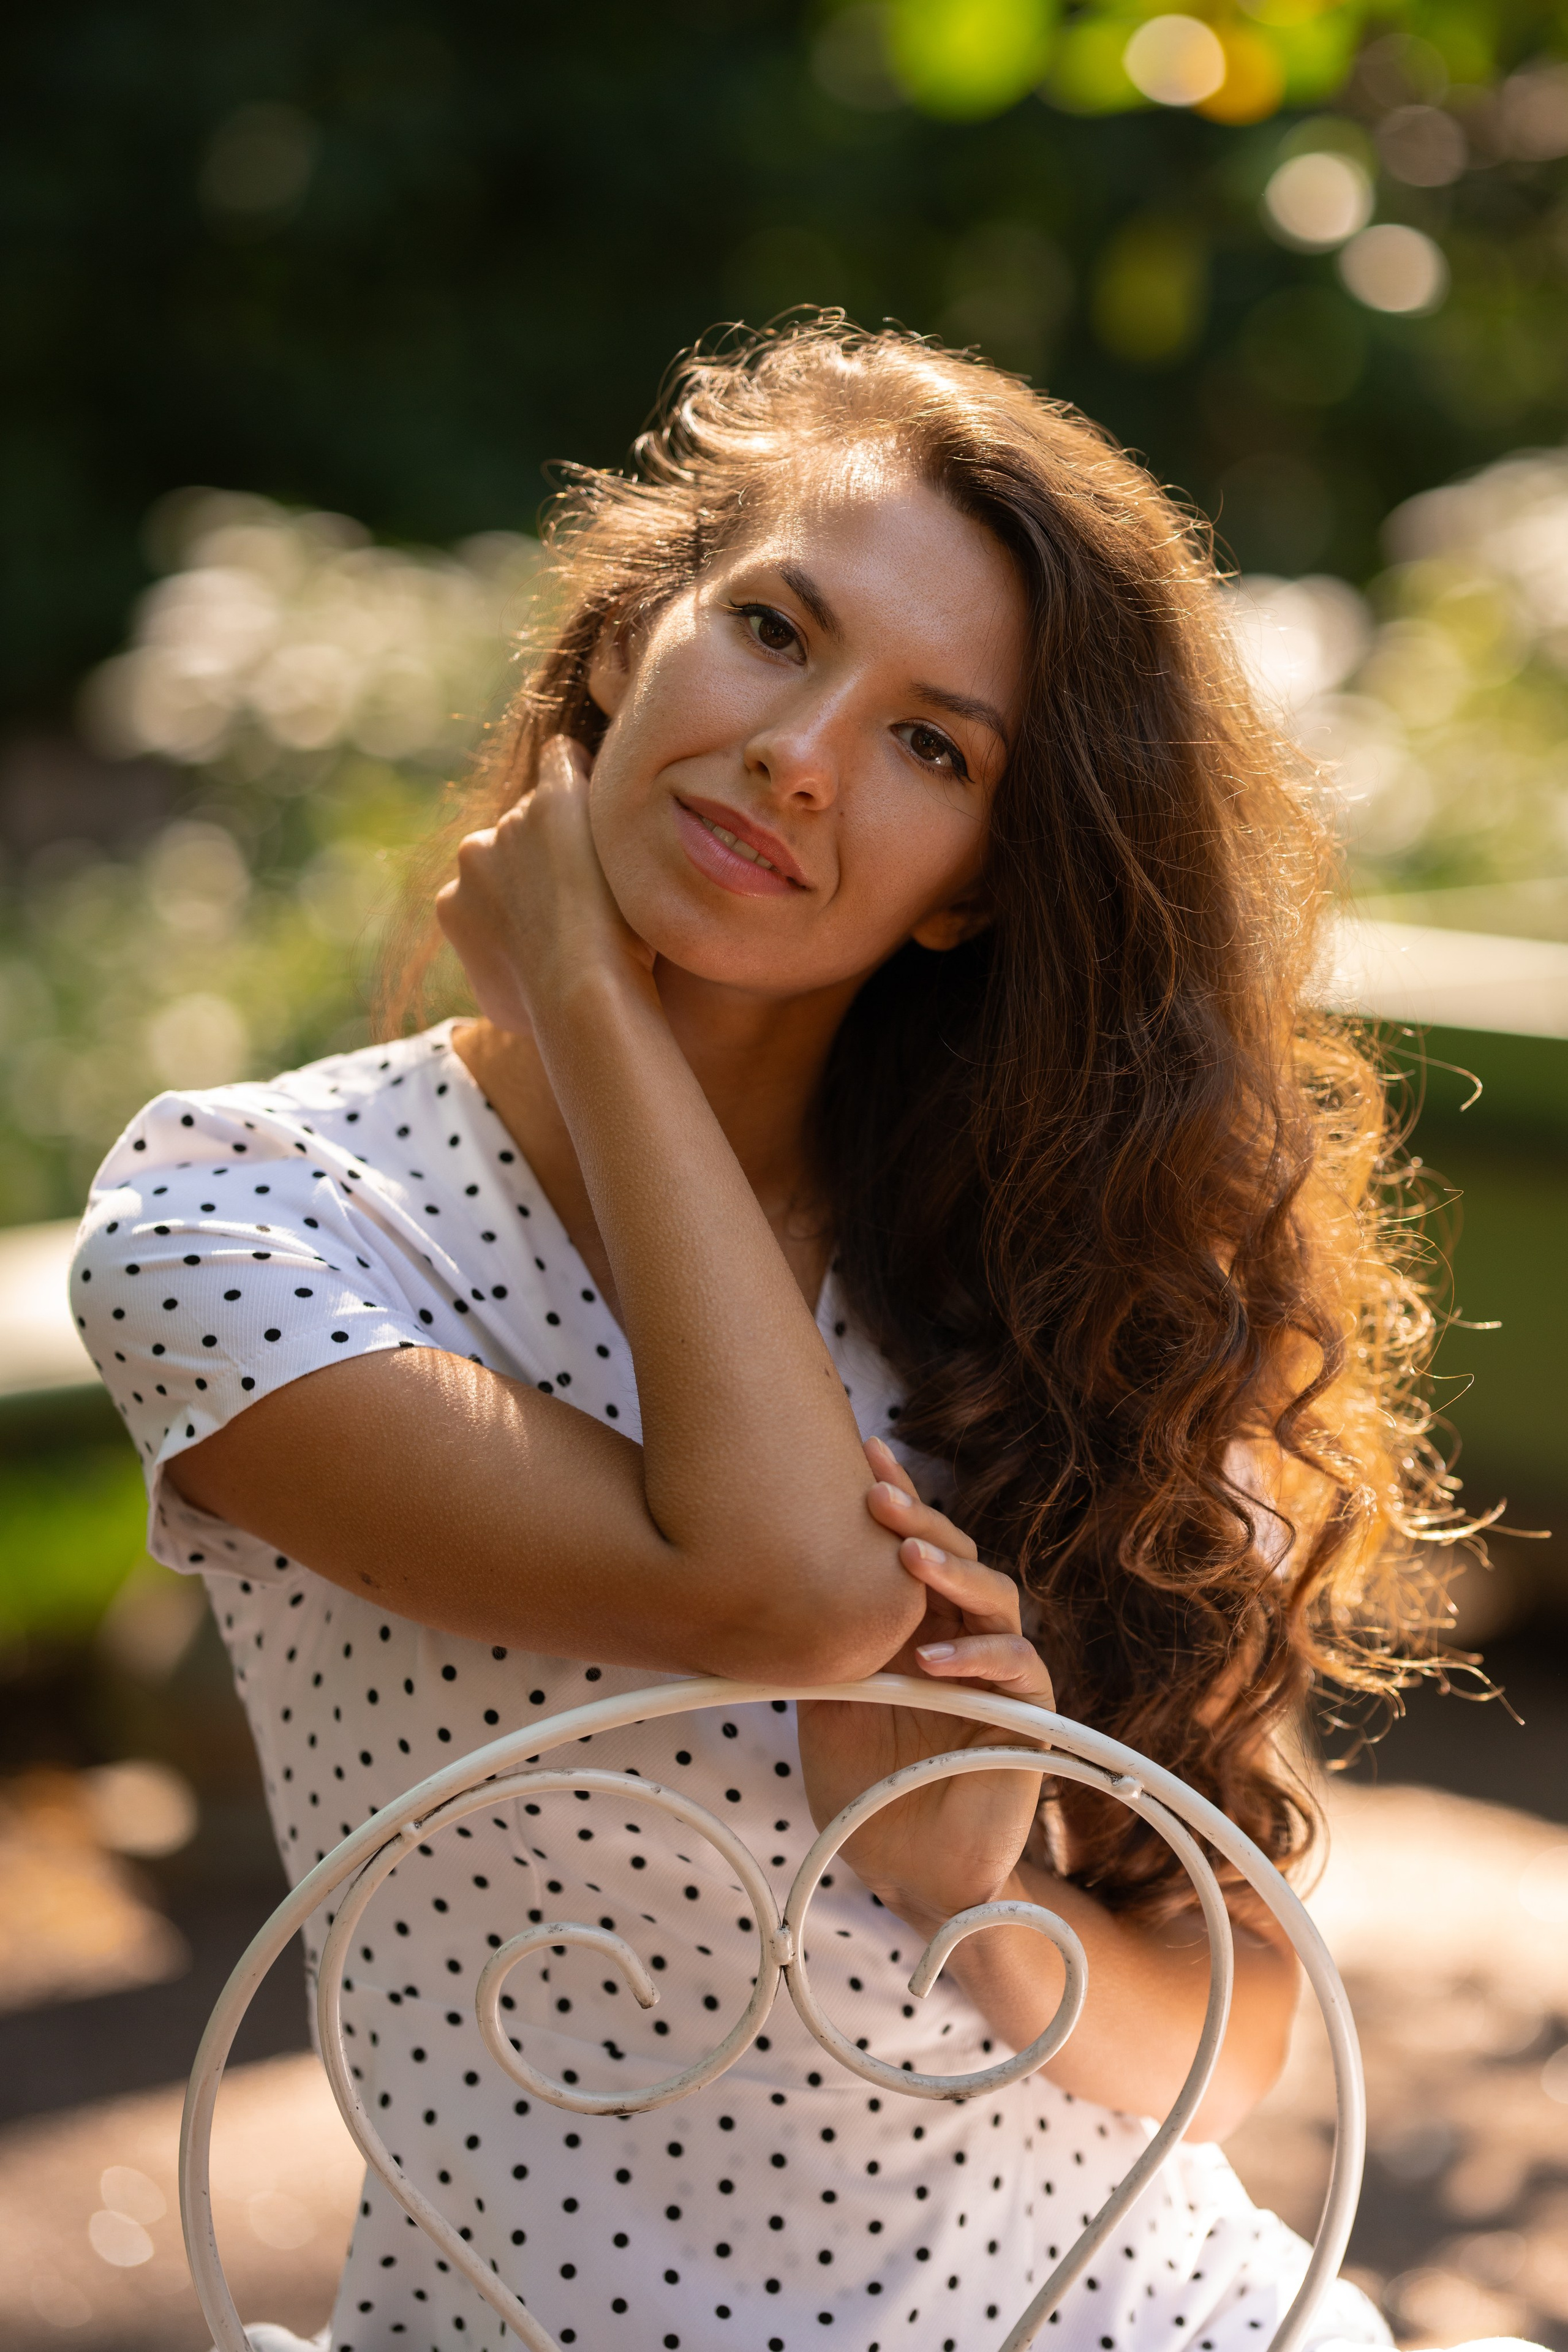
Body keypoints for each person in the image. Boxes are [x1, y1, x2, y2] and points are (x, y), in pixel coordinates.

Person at [73, 318, 1462, 2352]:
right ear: (634, 634)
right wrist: (586, 997)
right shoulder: (249, 1215)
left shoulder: (1084, 1285)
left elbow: (1225, 2045)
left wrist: (984, 1892)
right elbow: (788, 1587)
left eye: (934, 746)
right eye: (776, 632)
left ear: (975, 891)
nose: (802, 752)